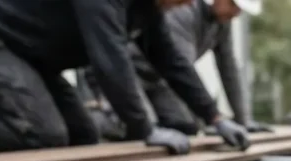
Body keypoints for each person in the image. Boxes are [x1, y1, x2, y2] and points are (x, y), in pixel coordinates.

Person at [0, 0, 251, 158]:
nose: (189, 4)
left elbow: (170, 60)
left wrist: (215, 117)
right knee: (44, 135)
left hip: (26, 56)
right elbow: (110, 60)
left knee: (82, 136)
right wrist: (145, 127)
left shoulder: (147, 8)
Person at [82, 0, 270, 138]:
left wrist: (236, 120)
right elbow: (179, 65)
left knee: (185, 126)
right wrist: (147, 128)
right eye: (234, 6)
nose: (236, 13)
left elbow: (228, 70)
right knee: (137, 126)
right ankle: (98, 117)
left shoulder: (222, 25)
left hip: (158, 82)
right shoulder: (183, 13)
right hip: (126, 74)